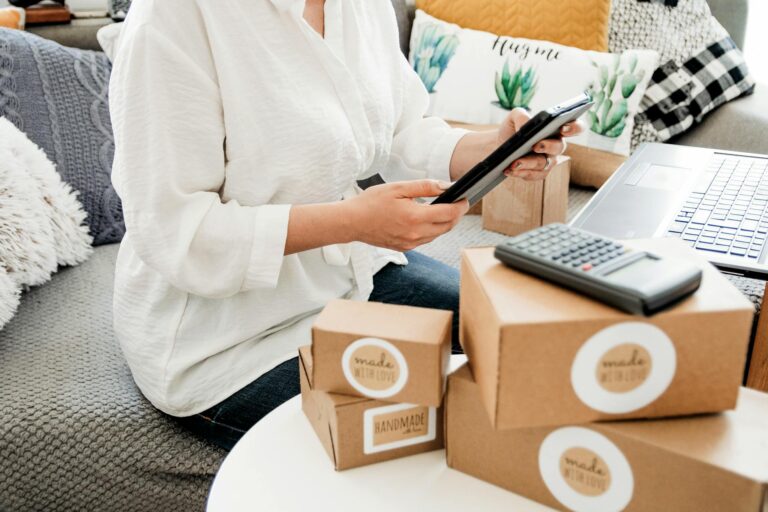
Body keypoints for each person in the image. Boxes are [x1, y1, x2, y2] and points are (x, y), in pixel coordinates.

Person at [109, 0, 582, 451]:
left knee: (531, 349)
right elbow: (177, 234)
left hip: (349, 274)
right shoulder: (173, 19)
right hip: (228, 341)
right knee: (453, 426)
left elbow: (399, 129)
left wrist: (494, 150)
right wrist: (352, 222)